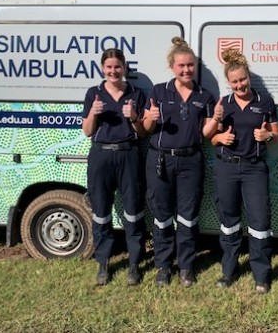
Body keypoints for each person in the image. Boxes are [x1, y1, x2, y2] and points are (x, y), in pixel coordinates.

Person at [143, 37, 221, 287]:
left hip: (191, 161)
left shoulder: (205, 96)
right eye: (181, 65)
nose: (186, 69)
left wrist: (216, 119)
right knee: (162, 216)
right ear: (172, 67)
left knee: (188, 217)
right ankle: (163, 266)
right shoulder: (158, 91)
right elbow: (145, 128)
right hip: (161, 160)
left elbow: (205, 135)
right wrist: (152, 119)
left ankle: (186, 266)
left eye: (190, 65)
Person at [210, 49, 278, 294]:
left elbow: (277, 132)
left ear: (249, 76)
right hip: (226, 167)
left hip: (254, 169)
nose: (239, 85)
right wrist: (219, 135)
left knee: (260, 223)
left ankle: (261, 275)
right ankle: (229, 270)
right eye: (234, 81)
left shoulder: (264, 101)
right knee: (229, 222)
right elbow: (211, 137)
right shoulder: (223, 105)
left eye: (243, 79)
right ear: (229, 83)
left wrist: (267, 135)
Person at [82, 48, 147, 286]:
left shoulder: (136, 94)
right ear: (103, 69)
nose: (113, 71)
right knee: (101, 213)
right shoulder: (94, 94)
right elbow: (87, 131)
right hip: (101, 156)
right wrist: (93, 113)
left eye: (117, 66)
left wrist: (134, 118)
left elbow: (141, 133)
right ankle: (103, 265)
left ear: (124, 68)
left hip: (128, 154)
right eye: (109, 67)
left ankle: (134, 265)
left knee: (133, 212)